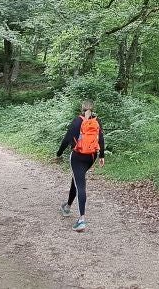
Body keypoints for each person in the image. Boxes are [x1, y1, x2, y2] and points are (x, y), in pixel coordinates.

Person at [55, 99, 105, 232]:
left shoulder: (77, 121)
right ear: (92, 108)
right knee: (76, 179)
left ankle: (81, 220)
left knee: (80, 184)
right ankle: (67, 206)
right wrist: (102, 156)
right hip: (92, 157)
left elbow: (67, 139)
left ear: (81, 108)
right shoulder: (97, 121)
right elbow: (101, 139)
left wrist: (59, 153)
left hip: (77, 157)